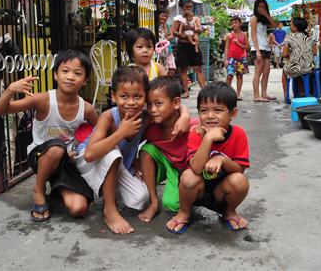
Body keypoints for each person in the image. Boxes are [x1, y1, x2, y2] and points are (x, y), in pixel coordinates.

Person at [74, 66, 192, 234]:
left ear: (146, 96)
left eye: (138, 96)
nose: (131, 102)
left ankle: (111, 194)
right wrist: (121, 133)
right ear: (113, 96)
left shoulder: (145, 116)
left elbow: (174, 105)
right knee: (112, 151)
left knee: (140, 197)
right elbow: (89, 154)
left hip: (116, 164)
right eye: (124, 96)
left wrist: (185, 114)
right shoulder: (109, 118)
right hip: (88, 163)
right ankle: (110, 210)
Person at [0, 48, 98, 222]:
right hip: (40, 156)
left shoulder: (86, 109)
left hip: (66, 161)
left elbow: (98, 132)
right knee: (57, 147)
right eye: (65, 71)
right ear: (56, 75)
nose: (70, 76)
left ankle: (57, 190)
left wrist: (80, 150)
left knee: (78, 209)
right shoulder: (43, 99)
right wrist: (10, 90)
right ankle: (39, 189)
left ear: (85, 80)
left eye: (77, 73)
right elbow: (0, 110)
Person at [166, 81, 250, 234]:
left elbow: (240, 169)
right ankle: (184, 212)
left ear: (232, 114)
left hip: (222, 192)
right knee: (188, 176)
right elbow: (196, 168)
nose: (210, 116)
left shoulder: (239, 134)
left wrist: (222, 160)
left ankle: (229, 212)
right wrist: (208, 138)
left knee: (240, 181)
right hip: (199, 191)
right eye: (204, 110)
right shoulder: (196, 134)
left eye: (218, 110)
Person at [137, 76, 200, 223]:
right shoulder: (151, 130)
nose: (152, 110)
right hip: (169, 164)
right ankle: (154, 202)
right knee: (146, 150)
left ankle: (192, 194)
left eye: (158, 103)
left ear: (176, 102)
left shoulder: (194, 126)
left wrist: (185, 115)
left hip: (188, 172)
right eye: (149, 104)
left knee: (172, 204)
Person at [171, 0, 205, 98]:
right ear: (182, 8)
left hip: (194, 46)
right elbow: (174, 32)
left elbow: (200, 30)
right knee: (183, 69)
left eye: (190, 6)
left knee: (198, 68)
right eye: (187, 7)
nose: (189, 8)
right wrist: (184, 35)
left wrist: (193, 29)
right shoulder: (177, 19)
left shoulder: (195, 19)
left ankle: (204, 91)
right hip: (183, 46)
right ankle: (186, 91)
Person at [281, 17, 316, 102]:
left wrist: (292, 53)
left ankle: (286, 95)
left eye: (292, 24)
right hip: (309, 68)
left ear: (295, 27)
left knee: (285, 71)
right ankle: (302, 92)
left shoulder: (289, 38)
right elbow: (315, 53)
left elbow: (284, 55)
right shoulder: (309, 38)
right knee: (300, 67)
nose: (290, 26)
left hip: (296, 68)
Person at [249, 0, 278, 102]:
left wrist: (266, 15)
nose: (261, 9)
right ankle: (256, 95)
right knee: (258, 72)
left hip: (265, 47)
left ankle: (264, 93)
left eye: (263, 7)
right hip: (258, 48)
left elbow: (275, 25)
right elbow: (253, 34)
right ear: (256, 7)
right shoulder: (254, 18)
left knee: (266, 71)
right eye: (259, 7)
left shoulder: (263, 19)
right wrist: (257, 50)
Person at [224, 16, 250, 100]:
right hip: (231, 58)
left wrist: (238, 43)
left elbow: (247, 47)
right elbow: (226, 48)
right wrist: (226, 60)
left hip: (241, 58)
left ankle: (238, 94)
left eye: (235, 23)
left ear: (240, 23)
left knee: (239, 76)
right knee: (229, 76)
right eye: (232, 23)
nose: (234, 25)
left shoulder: (244, 34)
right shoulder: (229, 35)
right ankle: (227, 94)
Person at [157, 8, 176, 77]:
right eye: (162, 15)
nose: (164, 18)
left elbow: (165, 36)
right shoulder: (155, 29)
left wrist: (165, 23)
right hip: (159, 57)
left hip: (164, 57)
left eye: (165, 16)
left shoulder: (161, 28)